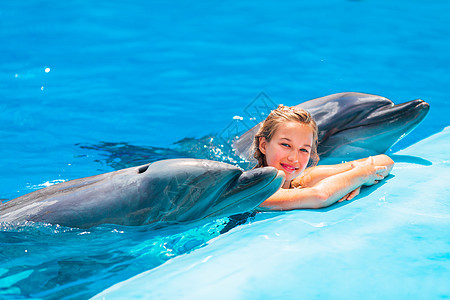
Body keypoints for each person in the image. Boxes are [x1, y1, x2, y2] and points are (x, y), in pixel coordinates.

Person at [253, 105, 394, 210]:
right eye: (285, 145)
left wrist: (357, 180)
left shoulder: (301, 179)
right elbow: (320, 196)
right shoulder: (257, 192)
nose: (294, 158)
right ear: (264, 145)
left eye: (303, 149)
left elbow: (385, 161)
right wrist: (359, 176)